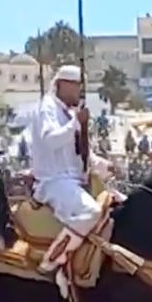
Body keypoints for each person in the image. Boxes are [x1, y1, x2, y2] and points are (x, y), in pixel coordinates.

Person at [27, 64, 98, 280]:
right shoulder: (46, 108)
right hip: (53, 182)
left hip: (73, 181)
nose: (80, 92)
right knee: (92, 212)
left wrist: (102, 166)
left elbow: (79, 154)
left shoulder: (68, 114)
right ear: (62, 85)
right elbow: (50, 140)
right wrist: (77, 123)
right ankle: (53, 260)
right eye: (77, 86)